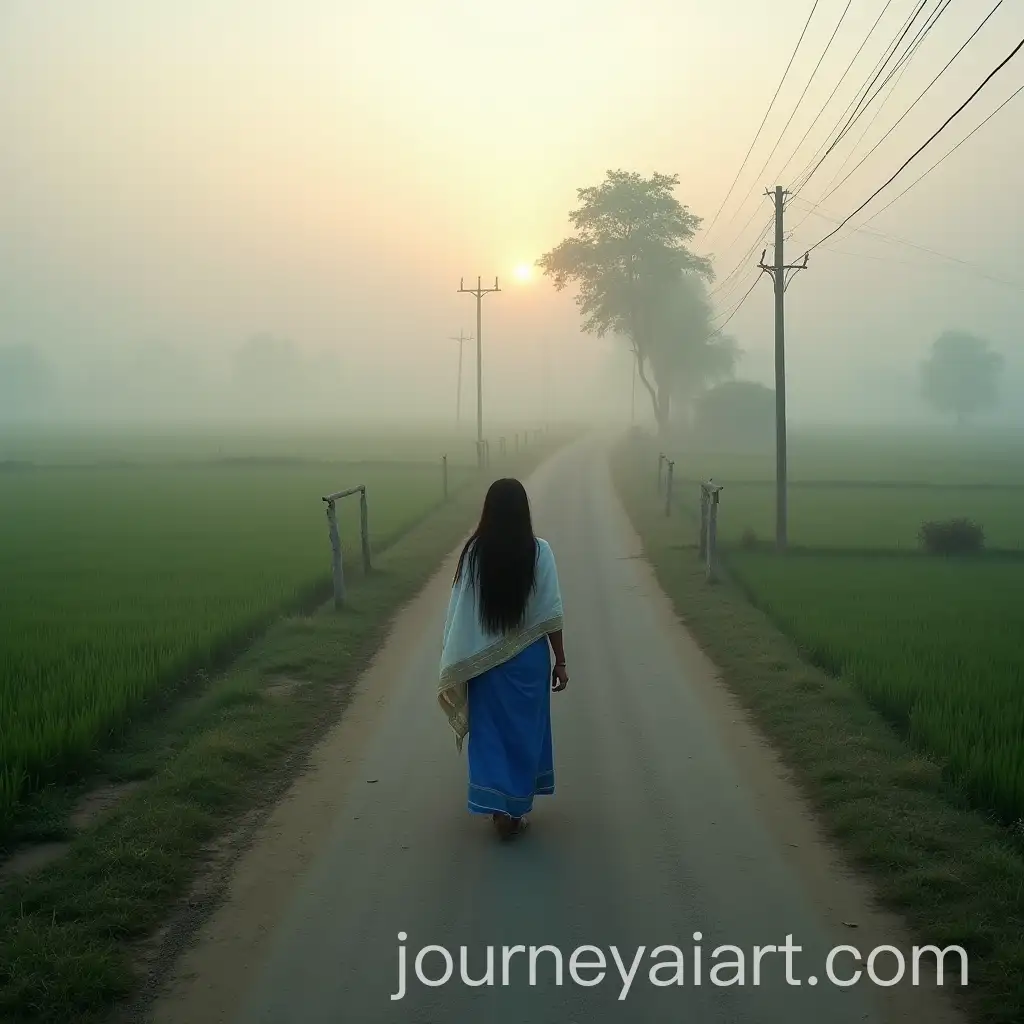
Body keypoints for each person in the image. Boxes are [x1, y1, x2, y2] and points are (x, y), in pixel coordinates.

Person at [438, 478, 567, 840]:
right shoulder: (540, 552)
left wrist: (455, 657)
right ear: (524, 511)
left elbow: (457, 615)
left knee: (490, 735)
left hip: (485, 667)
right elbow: (552, 613)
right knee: (525, 735)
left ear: (488, 510)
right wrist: (561, 661)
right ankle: (514, 809)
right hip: (528, 664)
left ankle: (498, 808)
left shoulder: (473, 554)